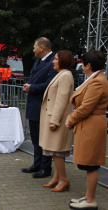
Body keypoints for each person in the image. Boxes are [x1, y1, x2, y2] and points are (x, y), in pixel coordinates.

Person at [66, 50, 108, 210]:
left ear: (88, 65)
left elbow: (86, 107)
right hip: (89, 124)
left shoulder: (97, 81)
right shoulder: (96, 78)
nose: (81, 67)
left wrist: (71, 119)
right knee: (88, 164)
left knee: (91, 164)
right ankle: (88, 197)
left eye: (82, 64)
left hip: (91, 125)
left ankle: (91, 200)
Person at [21, 37, 57, 178]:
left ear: (42, 47)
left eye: (35, 47)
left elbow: (50, 84)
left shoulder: (53, 61)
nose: (33, 50)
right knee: (35, 138)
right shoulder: (38, 61)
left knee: (44, 139)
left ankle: (45, 167)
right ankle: (37, 164)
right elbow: (34, 78)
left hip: (43, 106)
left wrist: (32, 88)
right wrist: (28, 85)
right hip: (33, 106)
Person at [39, 50, 74, 192]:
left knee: (56, 151)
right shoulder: (62, 74)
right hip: (54, 118)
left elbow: (61, 100)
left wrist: (55, 120)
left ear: (63, 61)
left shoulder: (65, 75)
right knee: (54, 151)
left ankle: (64, 180)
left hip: (56, 120)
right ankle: (57, 178)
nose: (53, 61)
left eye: (56, 59)